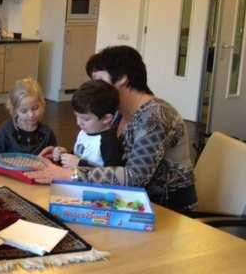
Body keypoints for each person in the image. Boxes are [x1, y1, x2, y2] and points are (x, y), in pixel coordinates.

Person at [29, 45, 197, 212]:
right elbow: (104, 159)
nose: (95, 87)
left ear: (123, 79)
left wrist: (70, 174)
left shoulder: (156, 116)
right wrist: (64, 156)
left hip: (165, 209)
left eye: (99, 81)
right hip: (128, 201)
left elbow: (134, 177)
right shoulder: (115, 113)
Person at [48, 79, 123, 168]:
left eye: (85, 119)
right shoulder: (86, 132)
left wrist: (80, 164)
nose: (78, 122)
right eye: (77, 116)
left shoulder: (109, 143)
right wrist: (63, 155)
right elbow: (79, 155)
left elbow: (112, 175)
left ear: (106, 118)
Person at [0, 77, 57, 156]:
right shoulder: (6, 131)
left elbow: (53, 161)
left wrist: (57, 155)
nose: (31, 115)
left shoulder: (47, 133)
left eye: (35, 108)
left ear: (42, 104)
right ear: (15, 111)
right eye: (24, 111)